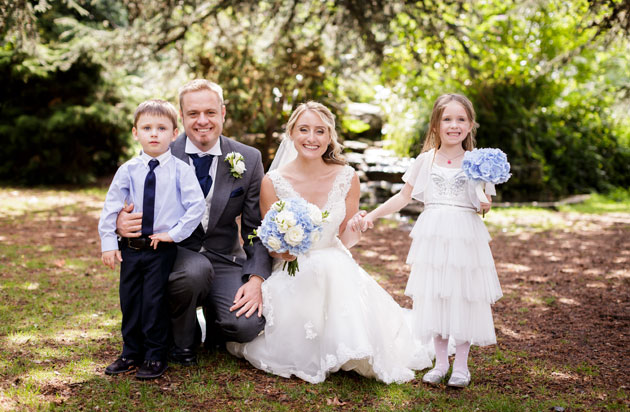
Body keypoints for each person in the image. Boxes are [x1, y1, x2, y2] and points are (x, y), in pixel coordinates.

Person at [226, 101, 432, 384]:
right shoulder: (272, 181)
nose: (312, 138)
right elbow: (269, 241)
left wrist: (357, 228)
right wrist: (284, 251)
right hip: (291, 267)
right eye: (304, 130)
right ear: (292, 134)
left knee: (331, 268)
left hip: (336, 262)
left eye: (320, 131)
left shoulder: (347, 177)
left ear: (330, 136)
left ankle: (345, 346)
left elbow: (345, 239)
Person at [116, 80, 272, 366]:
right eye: (193, 113)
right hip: (171, 255)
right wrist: (120, 223)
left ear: (223, 113)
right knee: (193, 271)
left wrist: (256, 278)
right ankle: (181, 335)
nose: (202, 121)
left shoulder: (248, 158)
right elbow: (129, 201)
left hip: (225, 258)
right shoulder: (159, 150)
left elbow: (256, 230)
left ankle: (214, 318)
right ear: (182, 116)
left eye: (210, 112)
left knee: (245, 327)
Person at [351, 93, 503, 388]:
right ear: (436, 125)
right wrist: (374, 215)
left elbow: (485, 204)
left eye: (461, 119)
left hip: (464, 234)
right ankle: (441, 361)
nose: (454, 125)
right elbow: (403, 196)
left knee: (463, 294)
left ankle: (461, 365)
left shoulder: (478, 161)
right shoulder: (426, 160)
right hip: (433, 233)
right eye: (447, 119)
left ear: (470, 125)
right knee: (436, 293)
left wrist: (484, 200)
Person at [98, 99, 206, 379]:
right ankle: (130, 352)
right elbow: (111, 206)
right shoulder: (128, 170)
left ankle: (155, 355)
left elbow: (196, 206)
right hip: (131, 248)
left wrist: (174, 233)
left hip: (161, 248)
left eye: (161, 128)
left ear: (174, 133)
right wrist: (109, 243)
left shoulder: (181, 170)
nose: (154, 133)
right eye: (147, 128)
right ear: (136, 132)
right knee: (130, 300)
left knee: (154, 301)